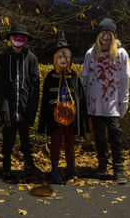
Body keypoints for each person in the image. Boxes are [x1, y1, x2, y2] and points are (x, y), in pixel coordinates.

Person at [82, 18, 130, 184]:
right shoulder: (91, 53)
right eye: (102, 33)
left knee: (115, 135)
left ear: (113, 35)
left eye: (108, 33)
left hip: (113, 104)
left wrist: (123, 101)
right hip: (95, 103)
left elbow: (125, 79)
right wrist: (85, 101)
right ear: (98, 35)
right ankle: (102, 164)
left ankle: (118, 168)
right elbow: (86, 79)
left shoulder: (121, 53)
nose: (105, 36)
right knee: (99, 137)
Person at [37, 34, 88, 184]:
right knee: (56, 141)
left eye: (66, 57)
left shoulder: (74, 76)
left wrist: (79, 113)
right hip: (55, 117)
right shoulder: (50, 76)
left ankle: (71, 168)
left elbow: (79, 96)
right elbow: (45, 99)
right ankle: (54, 170)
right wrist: (47, 115)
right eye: (60, 57)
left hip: (71, 116)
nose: (64, 60)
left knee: (70, 141)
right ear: (55, 59)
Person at [0, 23, 40, 179]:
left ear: (26, 40)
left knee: (25, 137)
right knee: (9, 138)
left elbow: (35, 86)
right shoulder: (3, 58)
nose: (18, 40)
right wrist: (3, 109)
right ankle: (6, 164)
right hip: (9, 105)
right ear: (10, 39)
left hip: (26, 106)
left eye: (22, 37)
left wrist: (32, 110)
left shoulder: (32, 58)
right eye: (15, 37)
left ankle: (29, 163)